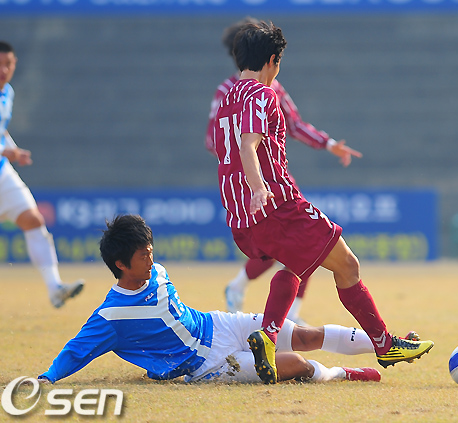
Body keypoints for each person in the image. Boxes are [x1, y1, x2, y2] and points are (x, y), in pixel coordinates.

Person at [213, 21, 434, 384]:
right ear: (272, 60)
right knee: (347, 264)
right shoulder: (262, 94)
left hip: (242, 218)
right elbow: (248, 145)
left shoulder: (226, 99)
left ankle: (268, 337)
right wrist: (258, 188)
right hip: (278, 206)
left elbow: (225, 149)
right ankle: (384, 345)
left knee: (297, 266)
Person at [37, 214, 396, 385]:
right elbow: (77, 350)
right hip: (208, 363)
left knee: (305, 334)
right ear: (120, 264)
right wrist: (47, 377)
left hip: (220, 323)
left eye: (150, 251)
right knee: (298, 364)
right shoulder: (112, 315)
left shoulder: (157, 271)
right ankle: (343, 374)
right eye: (143, 255)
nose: (151, 258)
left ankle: (390, 344)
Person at [206, 17, 363, 325]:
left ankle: (280, 314)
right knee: (301, 242)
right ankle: (269, 311)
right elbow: (218, 141)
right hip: (251, 187)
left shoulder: (270, 88)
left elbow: (294, 123)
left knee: (301, 244)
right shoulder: (230, 92)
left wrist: (328, 143)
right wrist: (246, 170)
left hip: (270, 182)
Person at [0, 41, 84, 308]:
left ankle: (55, 288)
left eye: (8, 64)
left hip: (2, 172)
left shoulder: (7, 92)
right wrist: (6, 152)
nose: (3, 70)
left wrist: (13, 150)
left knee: (33, 220)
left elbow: (1, 129)